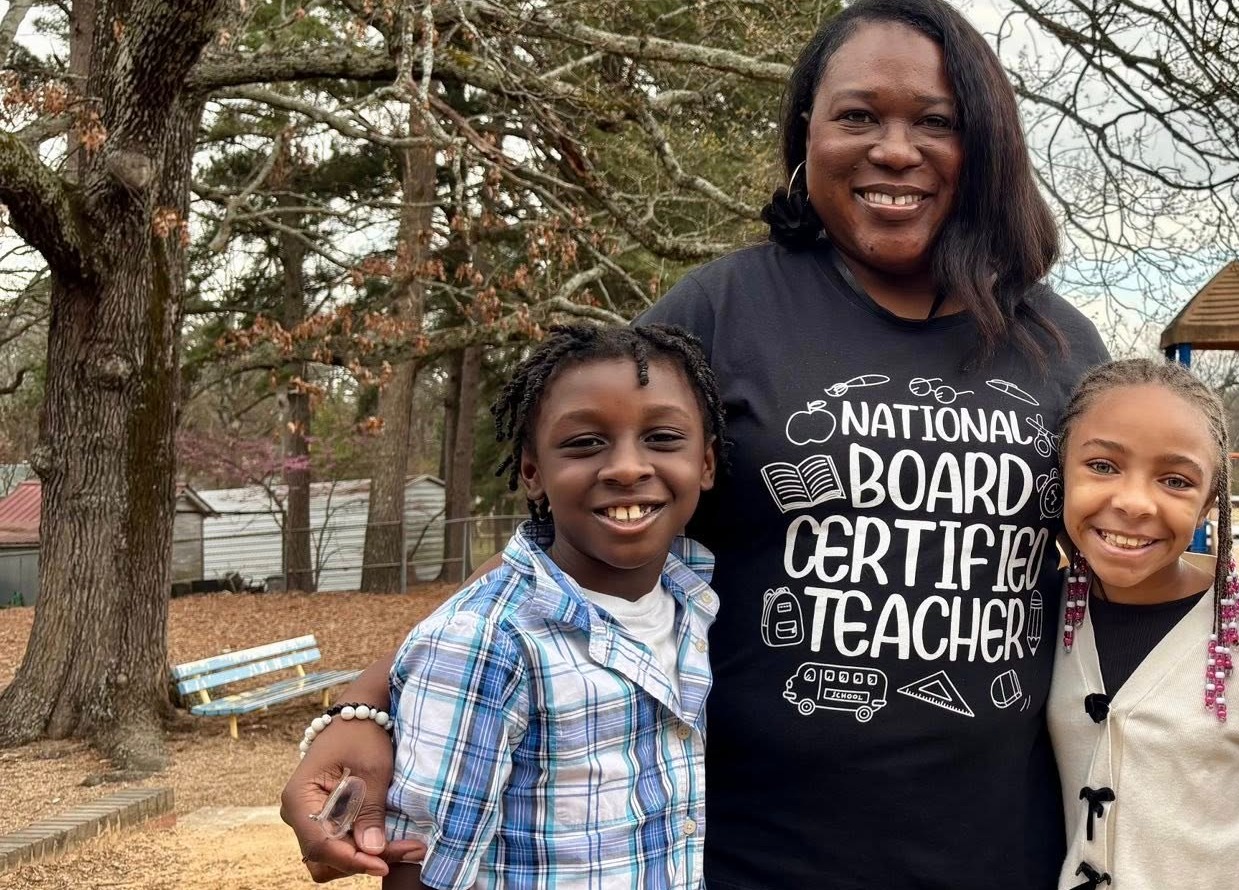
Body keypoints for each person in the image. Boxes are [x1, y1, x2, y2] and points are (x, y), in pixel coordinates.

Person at [283, 1, 1110, 886]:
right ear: (805, 135)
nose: (895, 150)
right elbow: (556, 548)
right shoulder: (721, 313)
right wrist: (368, 703)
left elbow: (1129, 567)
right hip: (751, 853)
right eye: (857, 115)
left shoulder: (1058, 347)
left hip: (1002, 853)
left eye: (936, 122)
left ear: (983, 145)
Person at [370, 324, 724, 889]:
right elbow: (424, 870)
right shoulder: (487, 641)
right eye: (584, 443)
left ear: (705, 464)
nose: (627, 467)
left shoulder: (694, 602)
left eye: (661, 437)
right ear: (532, 473)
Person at [1048, 359, 1239, 889]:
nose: (1134, 503)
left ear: (1210, 500)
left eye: (1174, 480)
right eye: (1102, 466)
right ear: (1061, 468)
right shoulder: (1034, 618)